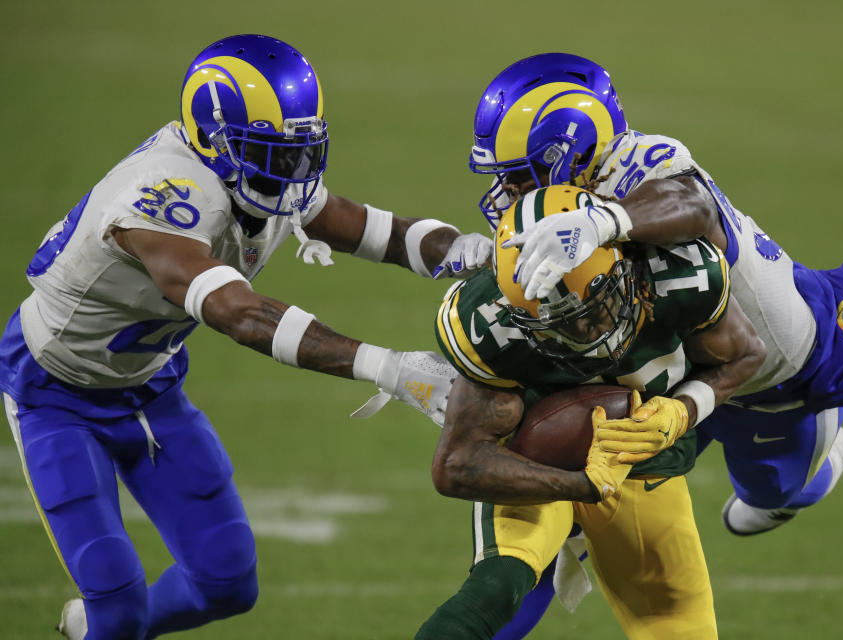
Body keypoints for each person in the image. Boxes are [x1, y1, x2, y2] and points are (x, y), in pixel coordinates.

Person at [0, 34, 489, 640]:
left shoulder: (255, 170)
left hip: (150, 386)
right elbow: (241, 314)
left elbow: (369, 228)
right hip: (56, 393)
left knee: (228, 583)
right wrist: (385, 366)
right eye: (274, 154)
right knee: (119, 604)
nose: (293, 172)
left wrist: (464, 250)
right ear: (212, 137)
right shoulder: (166, 196)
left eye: (300, 151)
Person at [469, 52, 843, 537]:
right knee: (584, 514)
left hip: (769, 378)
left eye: (519, 174)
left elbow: (692, 205)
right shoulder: (559, 207)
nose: (507, 191)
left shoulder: (641, 166)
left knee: (770, 496)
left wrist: (603, 221)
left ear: (573, 153)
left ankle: (811, 476)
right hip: (671, 362)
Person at [415, 184, 767, 639]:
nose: (583, 332)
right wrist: (581, 485)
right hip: (536, 456)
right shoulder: (488, 321)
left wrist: (681, 412)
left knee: (678, 625)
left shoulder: (678, 272)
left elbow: (744, 355)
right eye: (557, 324)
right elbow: (457, 464)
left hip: (642, 459)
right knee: (497, 587)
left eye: (591, 308)